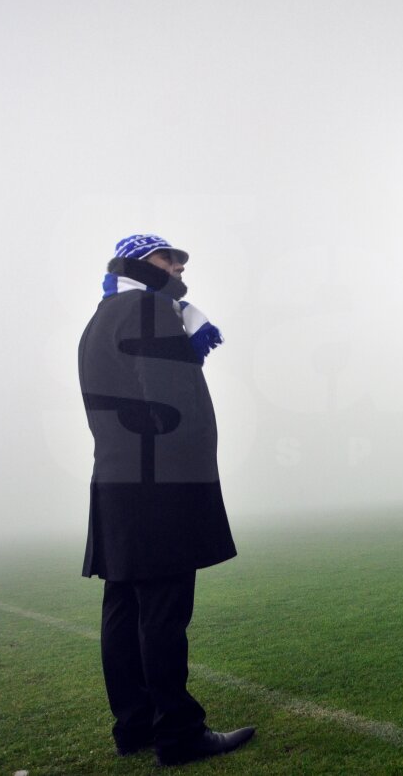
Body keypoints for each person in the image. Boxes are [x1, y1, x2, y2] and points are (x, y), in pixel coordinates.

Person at [77, 234, 255, 766]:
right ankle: (177, 733)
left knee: (124, 606)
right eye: (167, 257)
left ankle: (134, 726)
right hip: (159, 485)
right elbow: (173, 402)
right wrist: (190, 468)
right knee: (161, 611)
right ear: (136, 262)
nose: (178, 266)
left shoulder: (100, 316)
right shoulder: (150, 308)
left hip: (116, 479)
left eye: (181, 258)